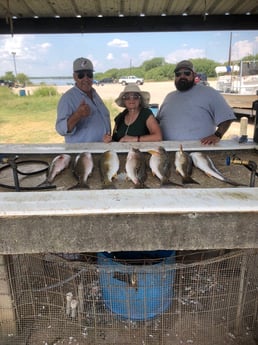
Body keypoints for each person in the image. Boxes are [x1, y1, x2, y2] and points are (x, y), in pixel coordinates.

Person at [156, 60, 236, 145]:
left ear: (194, 75)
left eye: (187, 73)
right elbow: (157, 121)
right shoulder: (169, 97)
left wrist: (217, 135)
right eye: (178, 74)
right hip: (168, 150)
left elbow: (227, 117)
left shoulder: (209, 93)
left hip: (198, 151)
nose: (182, 76)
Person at [56, 57, 111, 143]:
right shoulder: (67, 98)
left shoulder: (94, 94)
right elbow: (61, 129)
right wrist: (78, 115)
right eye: (81, 75)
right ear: (74, 77)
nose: (86, 79)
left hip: (100, 149)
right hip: (82, 152)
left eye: (89, 75)